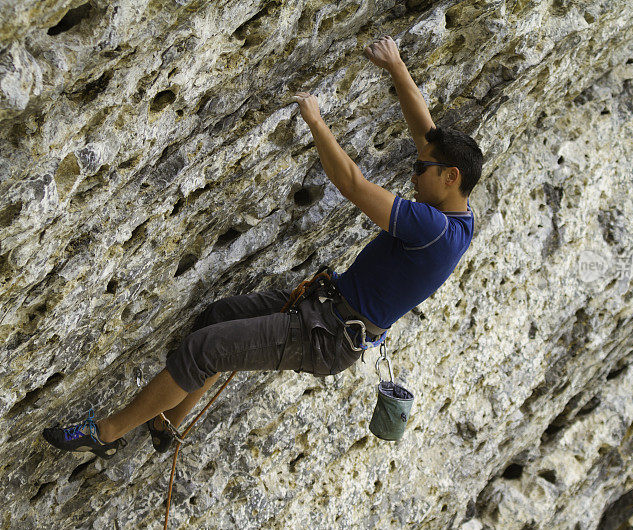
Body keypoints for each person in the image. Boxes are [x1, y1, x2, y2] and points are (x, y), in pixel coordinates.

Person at [43, 35, 484, 458]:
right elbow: (425, 131)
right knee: (213, 320)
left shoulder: (433, 227)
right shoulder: (457, 218)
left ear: (451, 177)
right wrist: (395, 65)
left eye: (421, 168)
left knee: (205, 349)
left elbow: (352, 184)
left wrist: (315, 120)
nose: (413, 172)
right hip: (325, 310)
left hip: (327, 335)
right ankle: (166, 423)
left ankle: (106, 433)